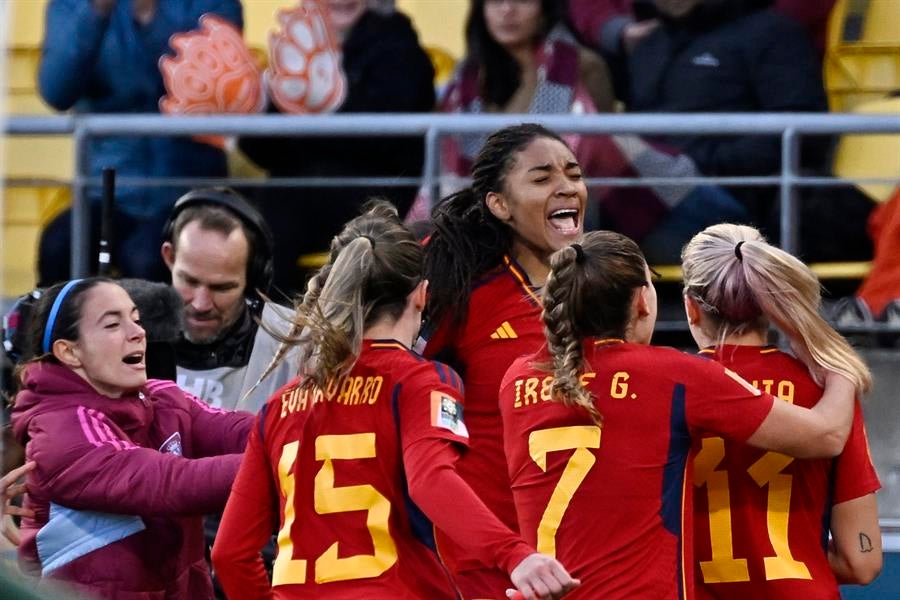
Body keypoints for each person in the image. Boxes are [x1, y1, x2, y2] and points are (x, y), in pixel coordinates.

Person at [211, 201, 579, 599]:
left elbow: (229, 554)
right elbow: (430, 480)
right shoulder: (420, 381)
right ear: (422, 295)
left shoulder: (279, 405)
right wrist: (515, 555)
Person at [498, 230, 861, 599]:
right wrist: (841, 368)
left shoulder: (516, 380)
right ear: (642, 301)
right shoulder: (673, 375)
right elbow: (827, 435)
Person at [10, 277, 254, 599]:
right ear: (69, 352)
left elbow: (242, 431)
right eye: (113, 325)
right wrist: (284, 461)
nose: (138, 332)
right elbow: (170, 483)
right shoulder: (60, 431)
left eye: (136, 319)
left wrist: (303, 430)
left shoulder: (162, 398)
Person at [421, 123, 586, 597]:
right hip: (491, 563)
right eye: (542, 178)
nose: (566, 187)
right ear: (499, 205)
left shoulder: (602, 291)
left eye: (574, 174)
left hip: (585, 554)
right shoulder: (463, 297)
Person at [681, 223, 882, 597]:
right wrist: (792, 560)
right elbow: (862, 560)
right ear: (767, 300)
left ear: (691, 308)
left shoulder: (668, 388)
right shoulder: (829, 392)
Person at [36, 0, 243, 284]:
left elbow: (216, 81)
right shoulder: (71, 4)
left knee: (147, 257)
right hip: (105, 190)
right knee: (58, 246)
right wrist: (96, 12)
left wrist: (148, 15)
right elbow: (56, 91)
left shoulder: (214, 3)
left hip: (187, 189)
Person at [239, 0, 435, 294]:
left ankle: (268, 309)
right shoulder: (294, 51)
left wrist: (331, 106)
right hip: (294, 200)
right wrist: (251, 112)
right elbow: (266, 153)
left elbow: (389, 143)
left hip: (374, 201)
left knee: (279, 207)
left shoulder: (401, 51)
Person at [621, 0, 829, 235]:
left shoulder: (772, 33)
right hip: (645, 192)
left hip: (731, 201)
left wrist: (704, 163)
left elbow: (802, 132)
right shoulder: (650, 45)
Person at [161, 188, 297, 412]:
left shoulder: (296, 346)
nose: (200, 304)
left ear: (253, 276)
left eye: (221, 288)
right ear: (169, 257)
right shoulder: (125, 332)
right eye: (189, 281)